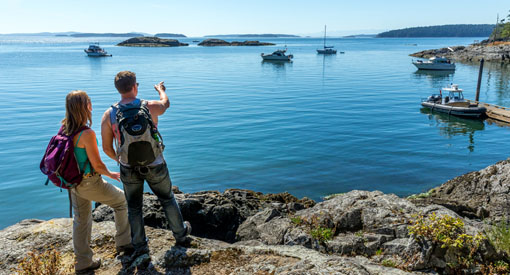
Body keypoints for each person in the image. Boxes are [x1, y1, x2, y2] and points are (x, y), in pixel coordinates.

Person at [101, 71, 191, 263]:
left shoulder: (109, 114)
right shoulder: (148, 106)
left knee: (134, 207)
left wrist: (121, 160)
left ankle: (140, 246)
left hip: (128, 167)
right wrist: (161, 91)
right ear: (135, 86)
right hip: (156, 163)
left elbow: (107, 148)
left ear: (118, 90)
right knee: (167, 199)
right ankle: (181, 236)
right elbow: (166, 104)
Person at [62, 90, 132, 274]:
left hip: (72, 183)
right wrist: (112, 174)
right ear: (85, 107)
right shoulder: (86, 133)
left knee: (81, 220)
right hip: (89, 183)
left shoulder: (65, 128)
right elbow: (98, 165)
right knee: (122, 202)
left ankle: (83, 262)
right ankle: (125, 244)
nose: (91, 104)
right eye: (89, 101)